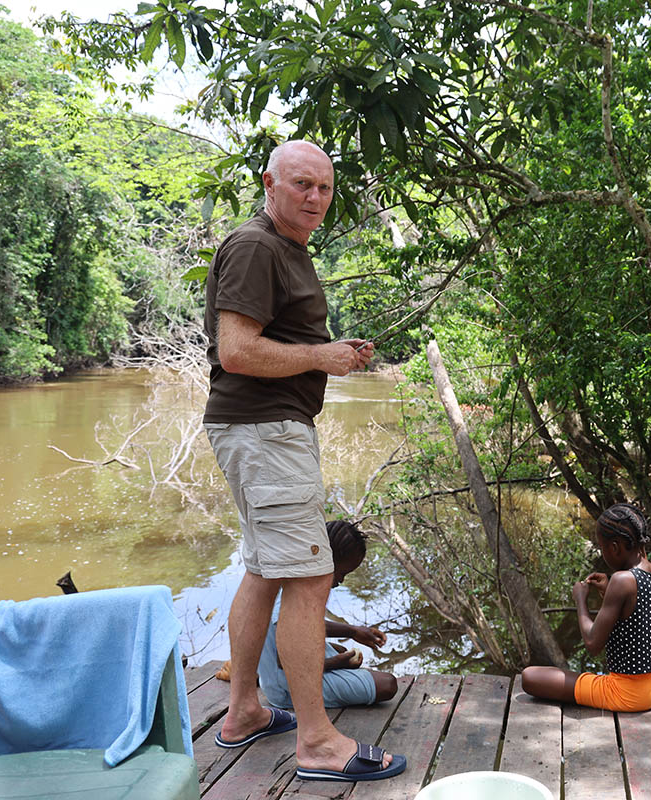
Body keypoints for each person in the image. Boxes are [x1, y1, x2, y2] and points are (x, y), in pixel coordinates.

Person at [202, 139, 404, 782]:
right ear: (269, 183)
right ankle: (317, 743)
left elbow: (270, 342)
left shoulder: (285, 248)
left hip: (260, 431)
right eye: (301, 184)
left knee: (264, 571)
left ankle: (243, 713)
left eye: (324, 187)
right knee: (310, 578)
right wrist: (321, 357)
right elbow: (236, 350)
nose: (314, 196)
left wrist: (328, 350)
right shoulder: (257, 246)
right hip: (265, 432)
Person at [520, 502, 651, 712]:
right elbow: (637, 617)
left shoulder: (622, 580)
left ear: (614, 547)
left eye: (602, 547)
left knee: (530, 677)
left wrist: (580, 600)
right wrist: (607, 590)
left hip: (630, 694)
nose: (603, 552)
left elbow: (593, 644)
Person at [258, 520, 399, 710]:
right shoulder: (294, 596)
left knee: (341, 650)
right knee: (387, 684)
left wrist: (353, 631)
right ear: (326, 559)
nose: (341, 580)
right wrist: (334, 663)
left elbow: (301, 625)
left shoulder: (293, 577)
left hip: (283, 673)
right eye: (341, 573)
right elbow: (286, 662)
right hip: (286, 687)